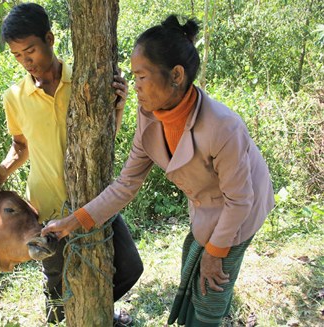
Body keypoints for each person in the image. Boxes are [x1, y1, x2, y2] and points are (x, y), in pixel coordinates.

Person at [42, 15, 275, 326]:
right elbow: (126, 184)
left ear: (176, 75)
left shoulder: (222, 127)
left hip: (242, 208)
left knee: (212, 283)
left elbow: (240, 200)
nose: (135, 87)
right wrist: (73, 221)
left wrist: (215, 253)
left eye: (141, 77)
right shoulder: (149, 116)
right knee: (194, 268)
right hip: (206, 204)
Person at [0, 3, 143, 326]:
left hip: (94, 199)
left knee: (129, 267)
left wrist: (119, 107)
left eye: (31, 51)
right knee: (55, 284)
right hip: (48, 208)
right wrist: (2, 170)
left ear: (50, 39)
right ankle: (65, 319)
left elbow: (102, 136)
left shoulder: (84, 81)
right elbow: (20, 146)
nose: (27, 62)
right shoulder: (15, 97)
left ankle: (92, 309)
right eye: (17, 56)